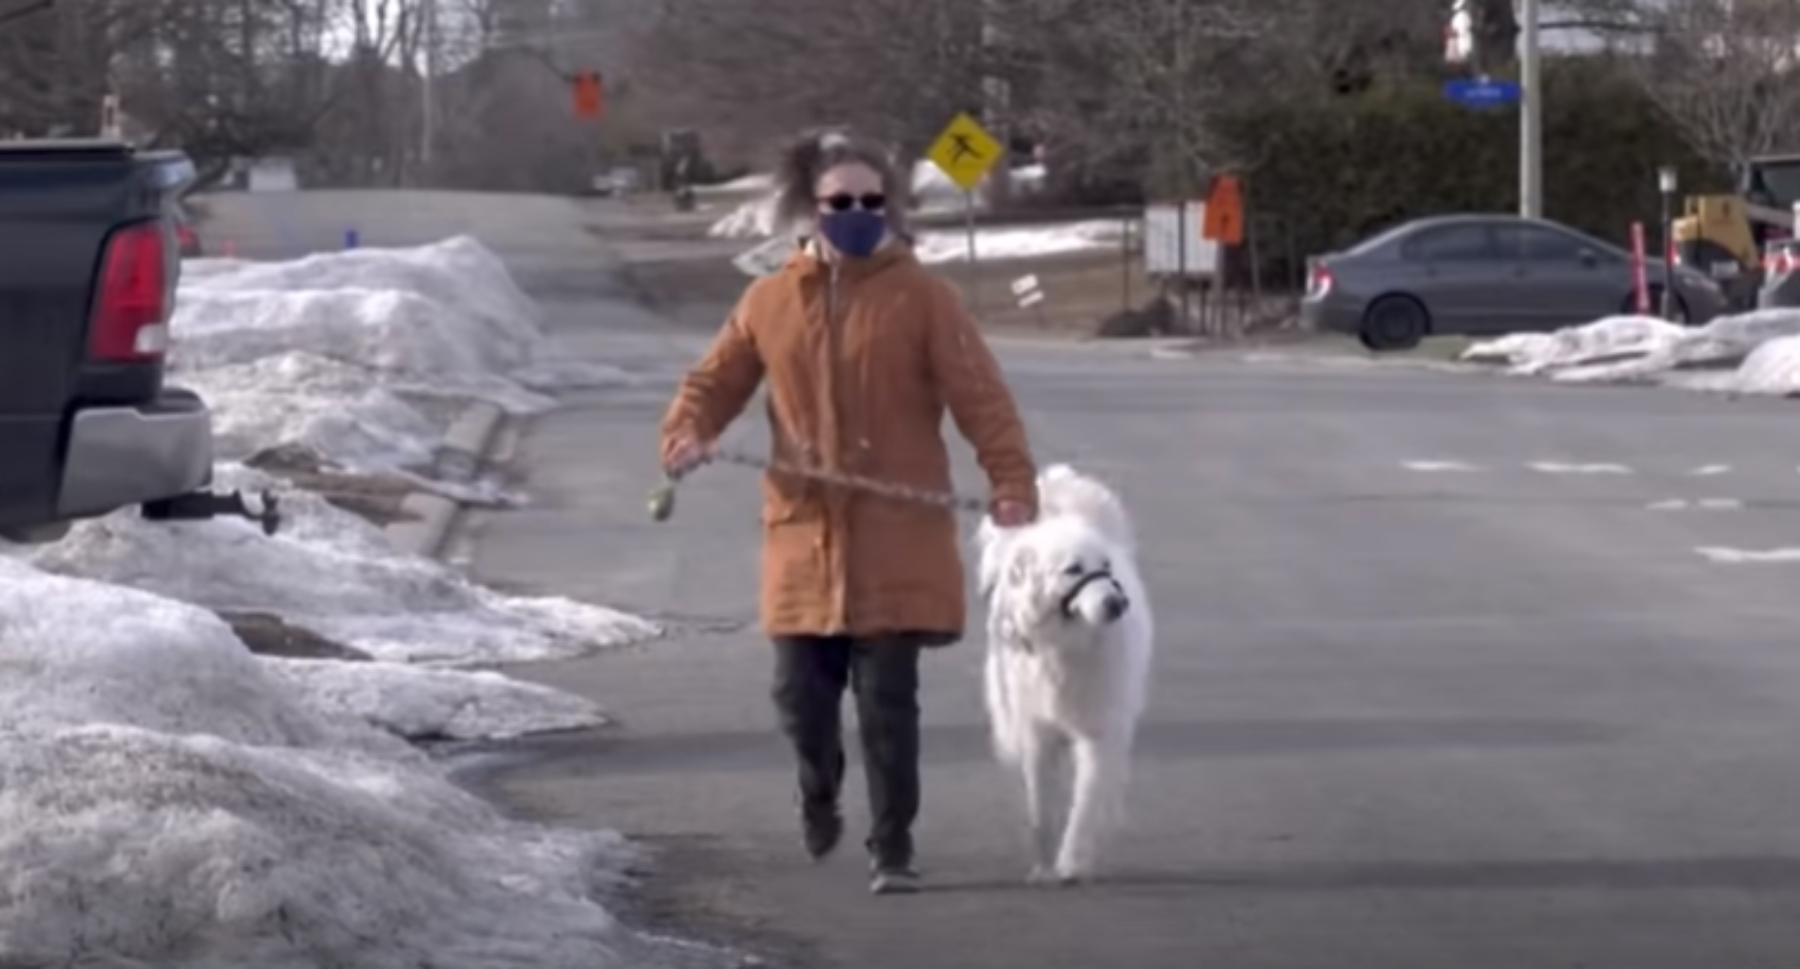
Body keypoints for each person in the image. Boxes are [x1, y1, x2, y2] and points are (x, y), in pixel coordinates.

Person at [658, 130, 1038, 895]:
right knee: (801, 698)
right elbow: (713, 382)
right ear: (811, 209)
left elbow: (982, 399)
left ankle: (892, 844)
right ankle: (818, 785)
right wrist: (687, 432)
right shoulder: (769, 299)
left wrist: (1012, 484)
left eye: (872, 200)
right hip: (804, 536)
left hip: (898, 538)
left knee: (888, 702)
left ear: (890, 206)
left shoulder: (924, 297)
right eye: (841, 202)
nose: (859, 213)